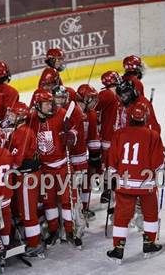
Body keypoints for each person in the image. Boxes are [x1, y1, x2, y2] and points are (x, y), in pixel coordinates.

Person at [107, 102, 165, 264]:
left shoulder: (119, 134)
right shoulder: (153, 135)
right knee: (150, 213)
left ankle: (118, 249)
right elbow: (158, 164)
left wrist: (112, 178)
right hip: (146, 184)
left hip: (124, 183)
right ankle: (149, 244)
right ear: (145, 117)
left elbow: (112, 160)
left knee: (122, 216)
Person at [28, 89, 83, 249]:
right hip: (45, 169)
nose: (50, 106)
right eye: (46, 104)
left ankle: (70, 231)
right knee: (48, 202)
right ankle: (53, 231)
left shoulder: (62, 114)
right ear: (37, 105)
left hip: (63, 165)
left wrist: (71, 135)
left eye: (50, 102)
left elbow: (75, 128)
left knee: (67, 201)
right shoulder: (31, 119)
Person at [2, 102, 44, 257]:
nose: (10, 117)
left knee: (27, 212)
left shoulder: (22, 133)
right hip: (25, 175)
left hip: (27, 176)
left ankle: (35, 244)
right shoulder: (19, 131)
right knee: (24, 210)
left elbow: (16, 159)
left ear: (20, 117)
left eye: (13, 114)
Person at [75, 84, 101, 220]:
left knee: (86, 181)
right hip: (67, 157)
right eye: (91, 99)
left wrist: (95, 154)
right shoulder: (70, 111)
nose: (94, 102)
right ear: (84, 99)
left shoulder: (90, 114)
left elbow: (92, 136)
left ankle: (84, 208)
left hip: (82, 156)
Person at [96, 71, 121, 204]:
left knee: (110, 165)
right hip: (108, 137)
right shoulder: (106, 94)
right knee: (109, 165)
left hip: (112, 136)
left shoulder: (114, 94)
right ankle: (108, 190)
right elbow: (93, 109)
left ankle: (108, 189)